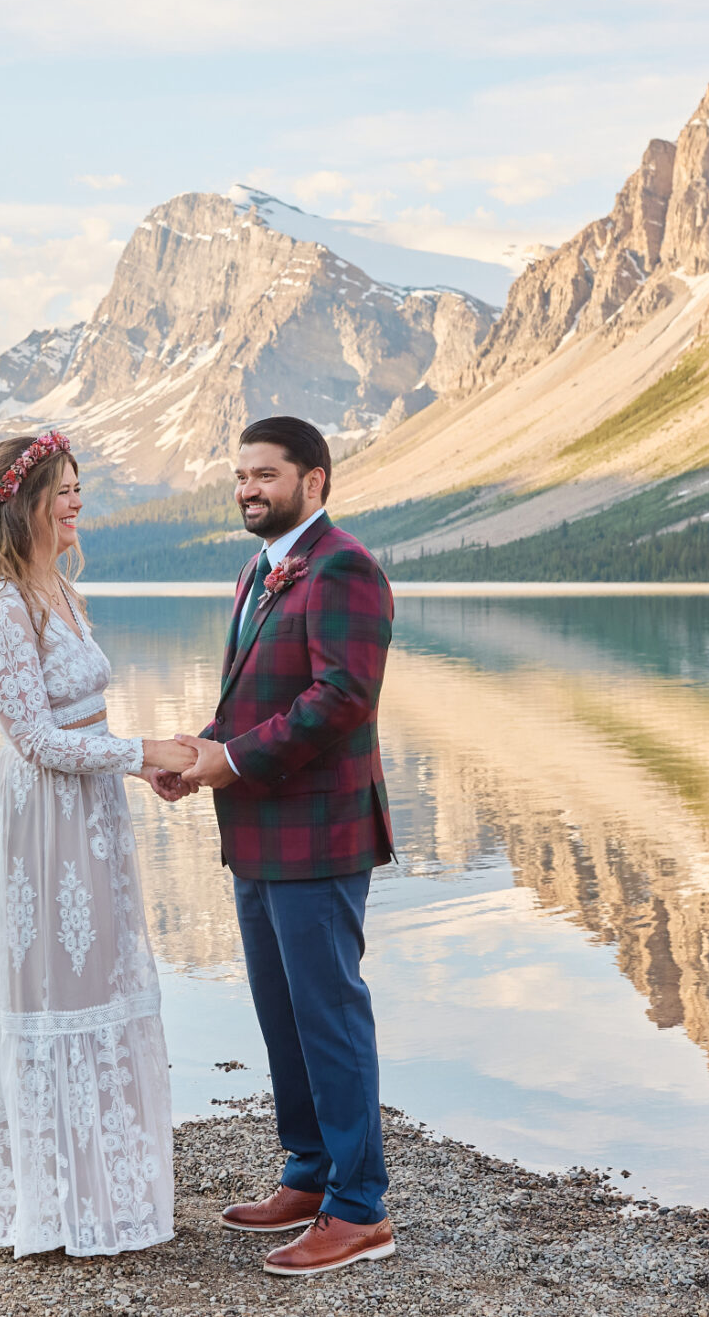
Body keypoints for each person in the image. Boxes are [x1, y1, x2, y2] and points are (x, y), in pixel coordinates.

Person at [0, 431, 199, 1257]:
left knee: (104, 982)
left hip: (91, 814)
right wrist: (143, 755)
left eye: (81, 488)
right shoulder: (1, 605)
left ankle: (108, 1190)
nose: (78, 503)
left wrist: (143, 762)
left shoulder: (63, 591)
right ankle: (45, 1202)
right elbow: (34, 741)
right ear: (26, 502)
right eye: (64, 490)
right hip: (43, 821)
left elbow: (83, 721)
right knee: (56, 993)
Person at [154, 415, 398, 1278]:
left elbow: (342, 699)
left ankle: (359, 1209)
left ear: (315, 481)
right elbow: (254, 696)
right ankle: (308, 1172)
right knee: (280, 1011)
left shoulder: (344, 567)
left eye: (266, 475)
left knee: (329, 1013)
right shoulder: (257, 572)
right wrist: (200, 753)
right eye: (240, 477)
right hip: (256, 828)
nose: (249, 489)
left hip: (320, 831)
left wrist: (234, 760)